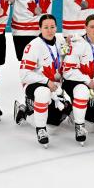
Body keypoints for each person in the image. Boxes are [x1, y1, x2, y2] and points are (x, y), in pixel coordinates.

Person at [18, 14, 72, 147]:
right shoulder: (34, 46)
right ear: (40, 28)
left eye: (52, 27)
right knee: (43, 93)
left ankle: (45, 113)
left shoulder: (60, 41)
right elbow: (24, 75)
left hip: (55, 86)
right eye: (46, 27)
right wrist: (46, 82)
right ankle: (31, 118)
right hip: (35, 85)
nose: (50, 30)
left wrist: (70, 47)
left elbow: (65, 59)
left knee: (55, 122)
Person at [61, 15, 94, 144]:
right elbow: (67, 69)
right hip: (76, 81)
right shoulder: (77, 42)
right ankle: (70, 109)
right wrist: (87, 81)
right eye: (92, 27)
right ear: (85, 27)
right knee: (91, 126)